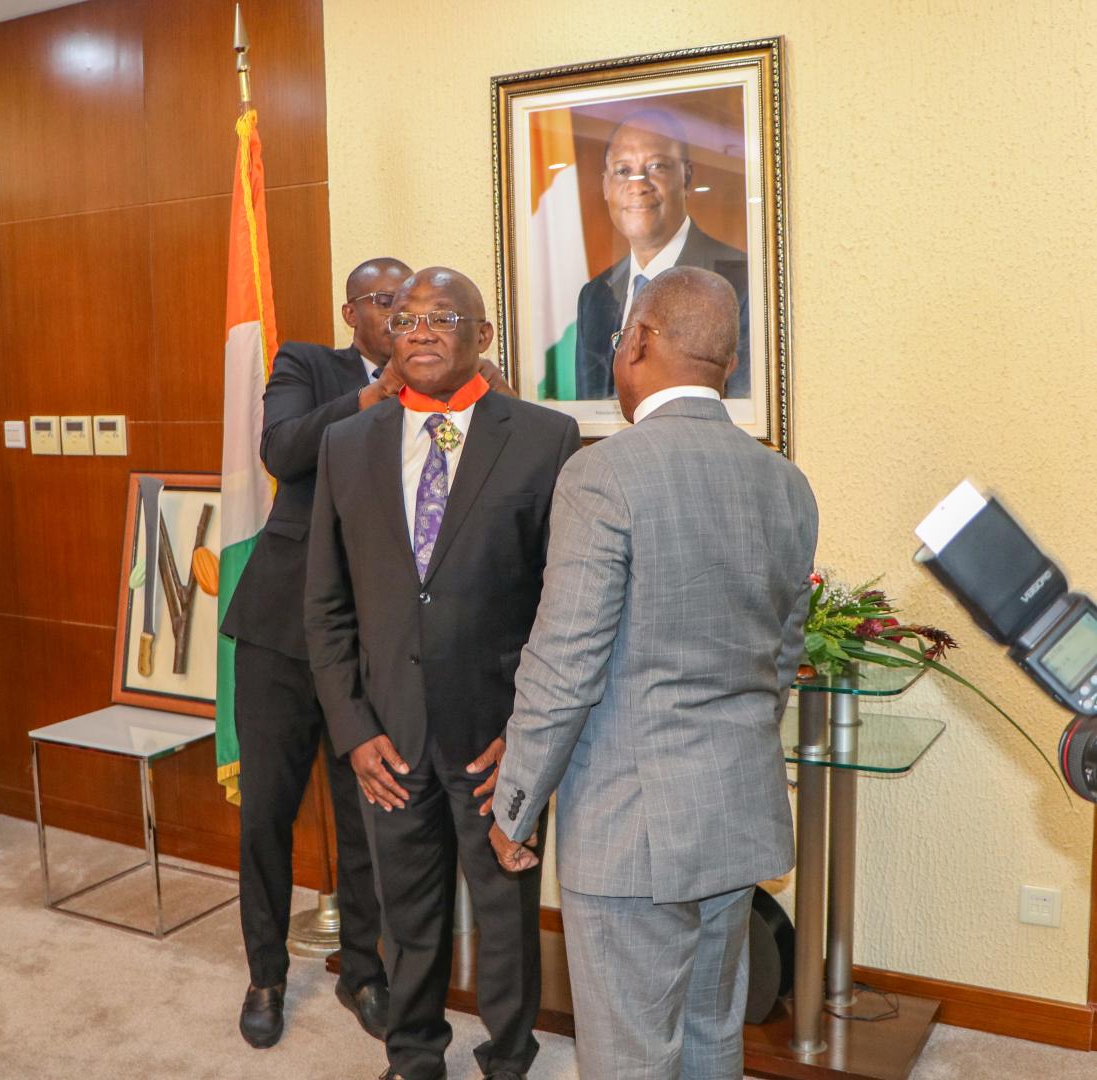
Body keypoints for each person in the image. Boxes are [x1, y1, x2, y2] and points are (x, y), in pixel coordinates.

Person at [490, 267, 818, 1079]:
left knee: (628, 1054)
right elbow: (780, 656)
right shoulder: (785, 483)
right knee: (710, 1032)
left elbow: (565, 661)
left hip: (628, 825)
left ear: (636, 341)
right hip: (734, 808)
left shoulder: (604, 471)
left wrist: (515, 805)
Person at [305, 268, 580, 1080]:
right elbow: (324, 607)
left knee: (504, 914)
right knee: (409, 914)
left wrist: (528, 733)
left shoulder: (543, 438)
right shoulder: (345, 443)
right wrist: (353, 729)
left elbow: (562, 605)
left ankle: (507, 1057)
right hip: (386, 736)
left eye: (442, 317)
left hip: (496, 737)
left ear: (483, 337)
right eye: (404, 317)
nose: (418, 330)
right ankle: (414, 1054)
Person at [220, 256, 412, 1048]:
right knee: (266, 812)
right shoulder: (307, 362)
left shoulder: (440, 381)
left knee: (365, 812)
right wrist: (378, 390)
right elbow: (284, 450)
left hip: (371, 639)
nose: (401, 317)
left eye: (410, 304)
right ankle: (265, 974)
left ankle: (362, 973)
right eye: (382, 302)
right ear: (350, 314)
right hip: (279, 630)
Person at [574, 108, 751, 401]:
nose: (638, 186)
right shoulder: (593, 297)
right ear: (606, 186)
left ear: (687, 177)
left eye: (656, 166)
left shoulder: (741, 283)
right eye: (623, 171)